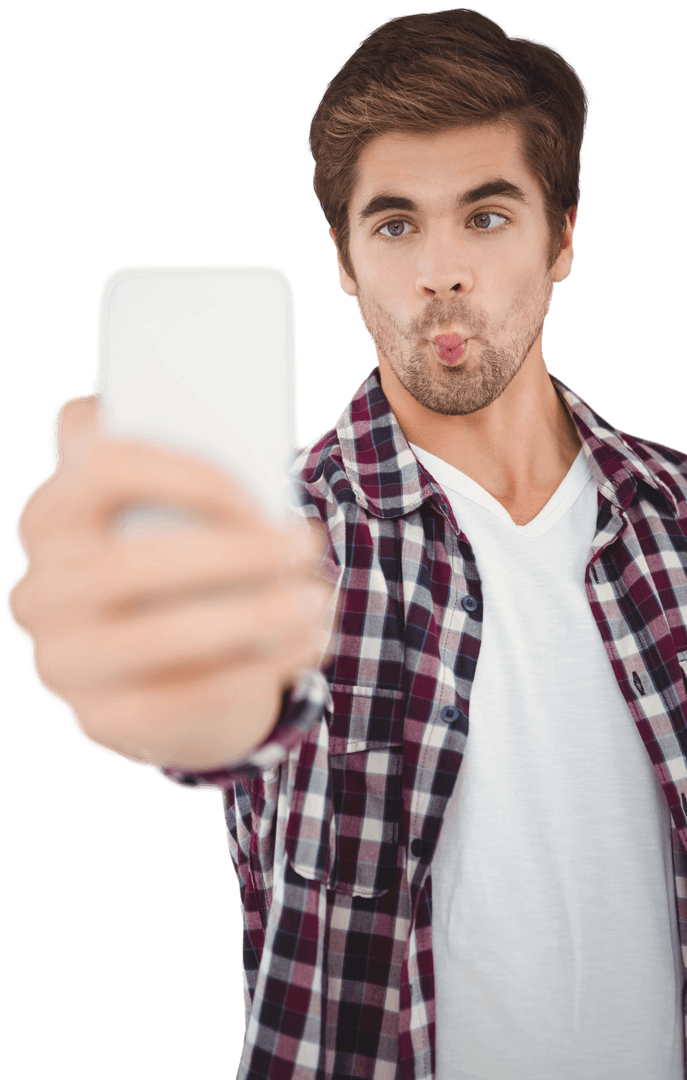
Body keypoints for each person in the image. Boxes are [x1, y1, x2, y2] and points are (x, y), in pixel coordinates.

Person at [6, 8, 687, 1079]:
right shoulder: (284, 536)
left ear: (563, 239)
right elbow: (214, 722)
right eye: (396, 225)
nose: (441, 273)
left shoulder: (677, 520)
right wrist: (150, 687)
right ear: (343, 263)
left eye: (488, 217)